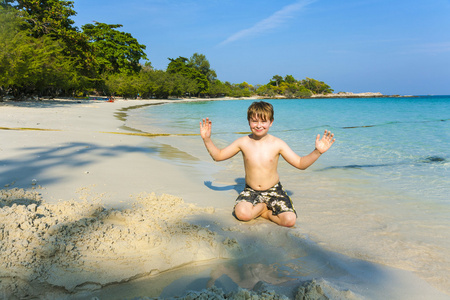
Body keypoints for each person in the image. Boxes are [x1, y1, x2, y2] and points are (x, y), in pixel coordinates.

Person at [200, 101, 335, 227]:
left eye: (264, 121)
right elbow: (218, 156)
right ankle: (263, 207)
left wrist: (317, 152)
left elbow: (300, 163)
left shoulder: (278, 144)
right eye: (254, 121)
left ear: (271, 122)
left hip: (274, 191)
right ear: (249, 122)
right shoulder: (243, 142)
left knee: (289, 221)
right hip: (251, 191)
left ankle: (265, 212)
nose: (259, 125)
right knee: (242, 214)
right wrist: (207, 139)